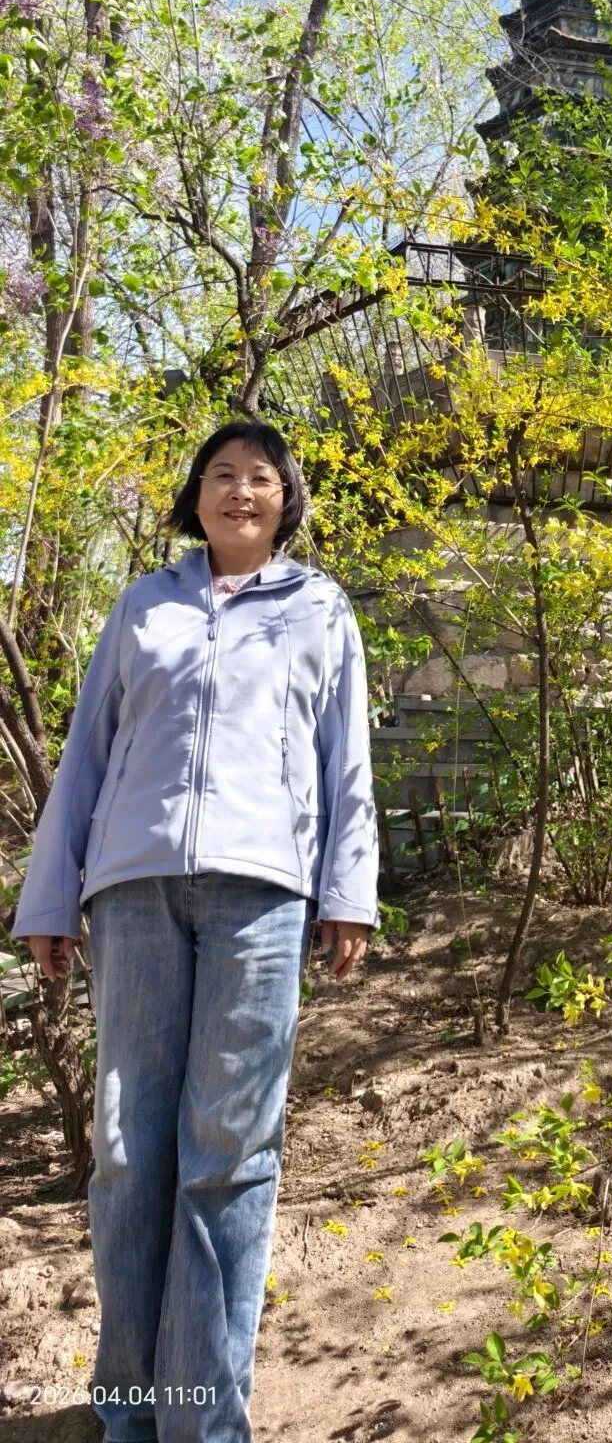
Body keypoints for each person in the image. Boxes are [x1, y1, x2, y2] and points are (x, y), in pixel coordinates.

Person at [11, 419, 378, 1443]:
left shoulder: (319, 608)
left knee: (228, 1154)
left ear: (286, 500)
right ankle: (132, 1413)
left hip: (261, 895)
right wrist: (49, 898)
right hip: (134, 893)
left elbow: (345, 758)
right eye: (222, 474)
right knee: (129, 1153)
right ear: (196, 494)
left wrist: (348, 891)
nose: (240, 491)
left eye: (261, 477)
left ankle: (202, 1421)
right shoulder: (146, 604)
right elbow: (87, 752)